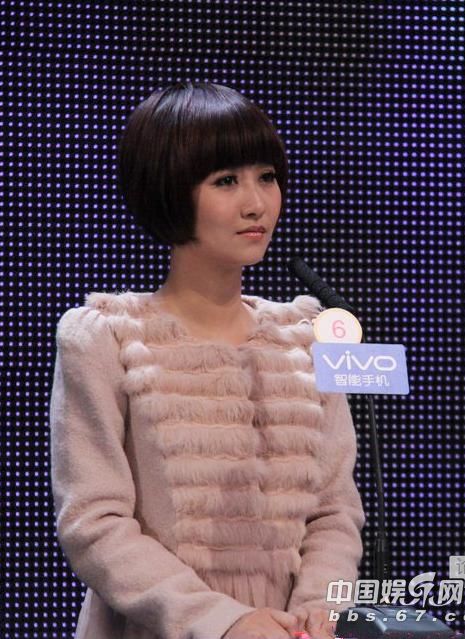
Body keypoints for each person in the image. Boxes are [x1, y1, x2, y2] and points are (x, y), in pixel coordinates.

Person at [49, 81, 365, 639]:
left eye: (266, 176)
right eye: (226, 181)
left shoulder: (306, 339)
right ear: (168, 188)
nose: (256, 203)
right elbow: (94, 523)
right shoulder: (105, 338)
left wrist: (320, 607)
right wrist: (223, 621)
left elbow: (334, 510)